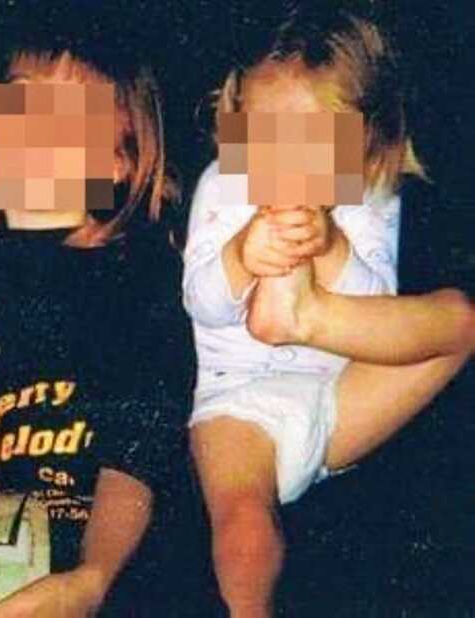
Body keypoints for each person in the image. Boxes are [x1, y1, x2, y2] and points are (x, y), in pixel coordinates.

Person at [183, 8, 473, 617]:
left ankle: (300, 311)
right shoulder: (224, 182)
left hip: (340, 392)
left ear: (367, 136)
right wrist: (240, 257)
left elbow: (378, 314)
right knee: (240, 520)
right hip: (240, 402)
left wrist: (334, 246)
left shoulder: (371, 196)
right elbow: (201, 303)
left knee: (459, 320)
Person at [0, 39, 196, 617]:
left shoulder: (145, 272)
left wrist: (91, 580)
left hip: (122, 563)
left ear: (121, 161)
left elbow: (141, 448)